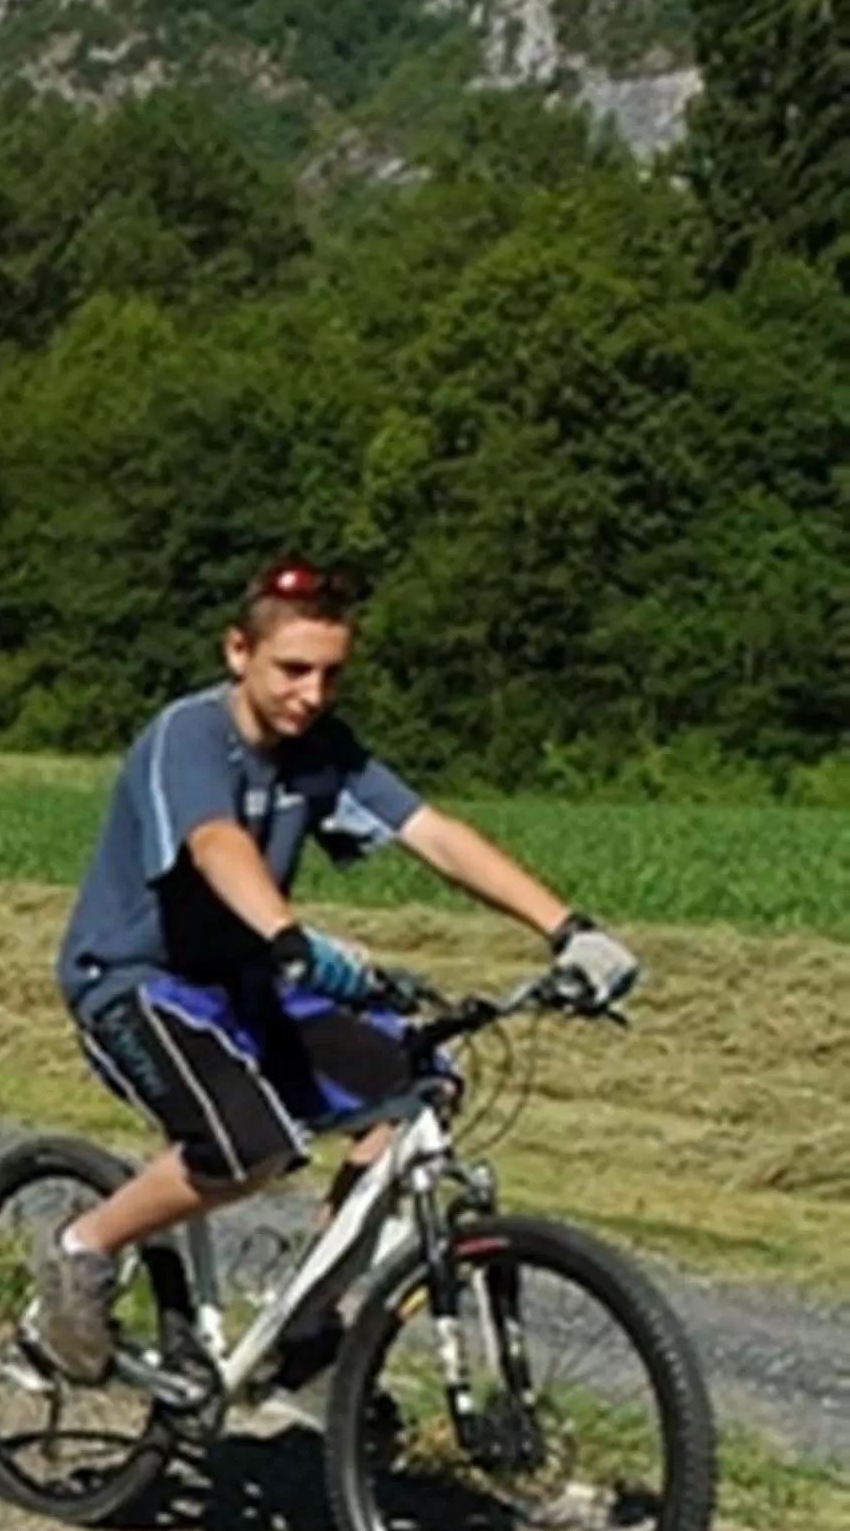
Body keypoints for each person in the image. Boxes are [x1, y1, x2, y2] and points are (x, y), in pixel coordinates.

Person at [36, 556, 643, 1386]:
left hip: (247, 984)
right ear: (237, 652)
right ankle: (84, 1245)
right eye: (293, 670)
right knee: (249, 1149)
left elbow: (434, 834)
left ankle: (309, 1319)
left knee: (419, 1088)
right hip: (135, 982)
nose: (312, 695)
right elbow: (217, 845)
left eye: (331, 675)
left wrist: (568, 929)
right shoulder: (189, 736)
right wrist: (292, 938)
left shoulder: (322, 752)